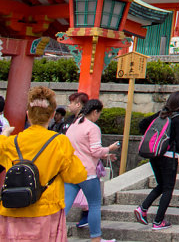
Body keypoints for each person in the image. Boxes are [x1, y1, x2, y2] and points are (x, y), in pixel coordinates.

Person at [0, 85, 88, 242]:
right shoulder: (59, 141)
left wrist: (4, 135)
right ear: (53, 114)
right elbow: (76, 175)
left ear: (28, 114)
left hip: (12, 208)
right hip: (46, 210)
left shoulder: (11, 142)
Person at [64, 99, 119, 242]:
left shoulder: (74, 125)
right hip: (87, 173)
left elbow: (81, 148)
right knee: (94, 205)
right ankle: (96, 238)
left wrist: (105, 155)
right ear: (95, 112)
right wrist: (109, 148)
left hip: (71, 170)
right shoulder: (92, 128)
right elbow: (94, 151)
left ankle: (52, 233)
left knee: (64, 206)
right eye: (99, 114)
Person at [135, 90, 179, 230]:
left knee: (161, 185)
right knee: (168, 189)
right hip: (168, 158)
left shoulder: (161, 114)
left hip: (155, 155)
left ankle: (143, 208)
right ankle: (158, 221)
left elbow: (142, 124)